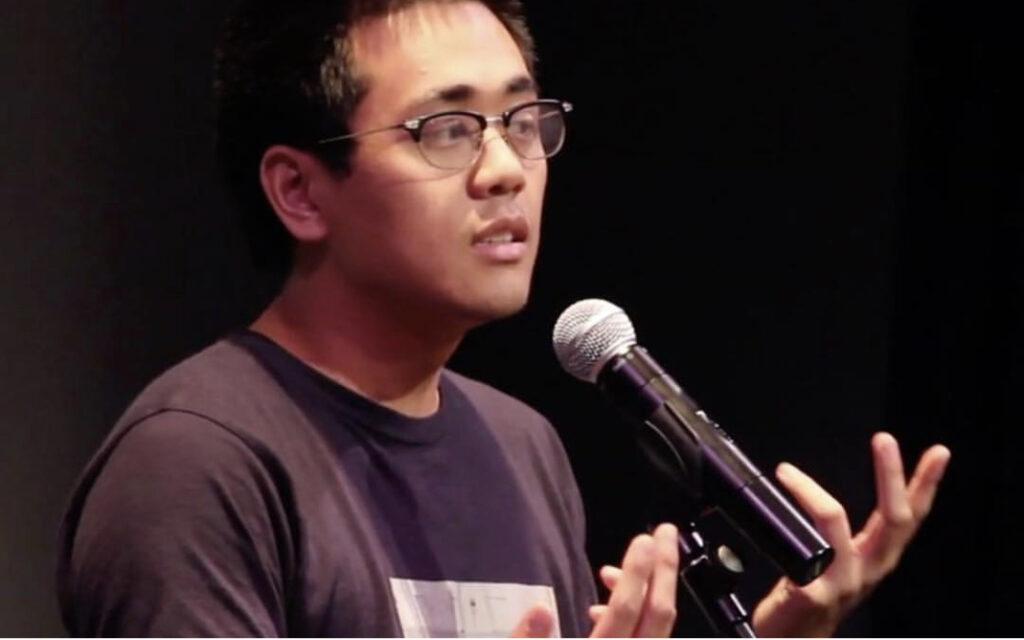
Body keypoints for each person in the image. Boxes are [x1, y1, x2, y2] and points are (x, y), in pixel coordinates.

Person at [56, 0, 951, 636]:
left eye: (522, 120)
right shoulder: (197, 464)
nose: (504, 169)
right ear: (299, 191)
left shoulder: (522, 446)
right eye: (447, 129)